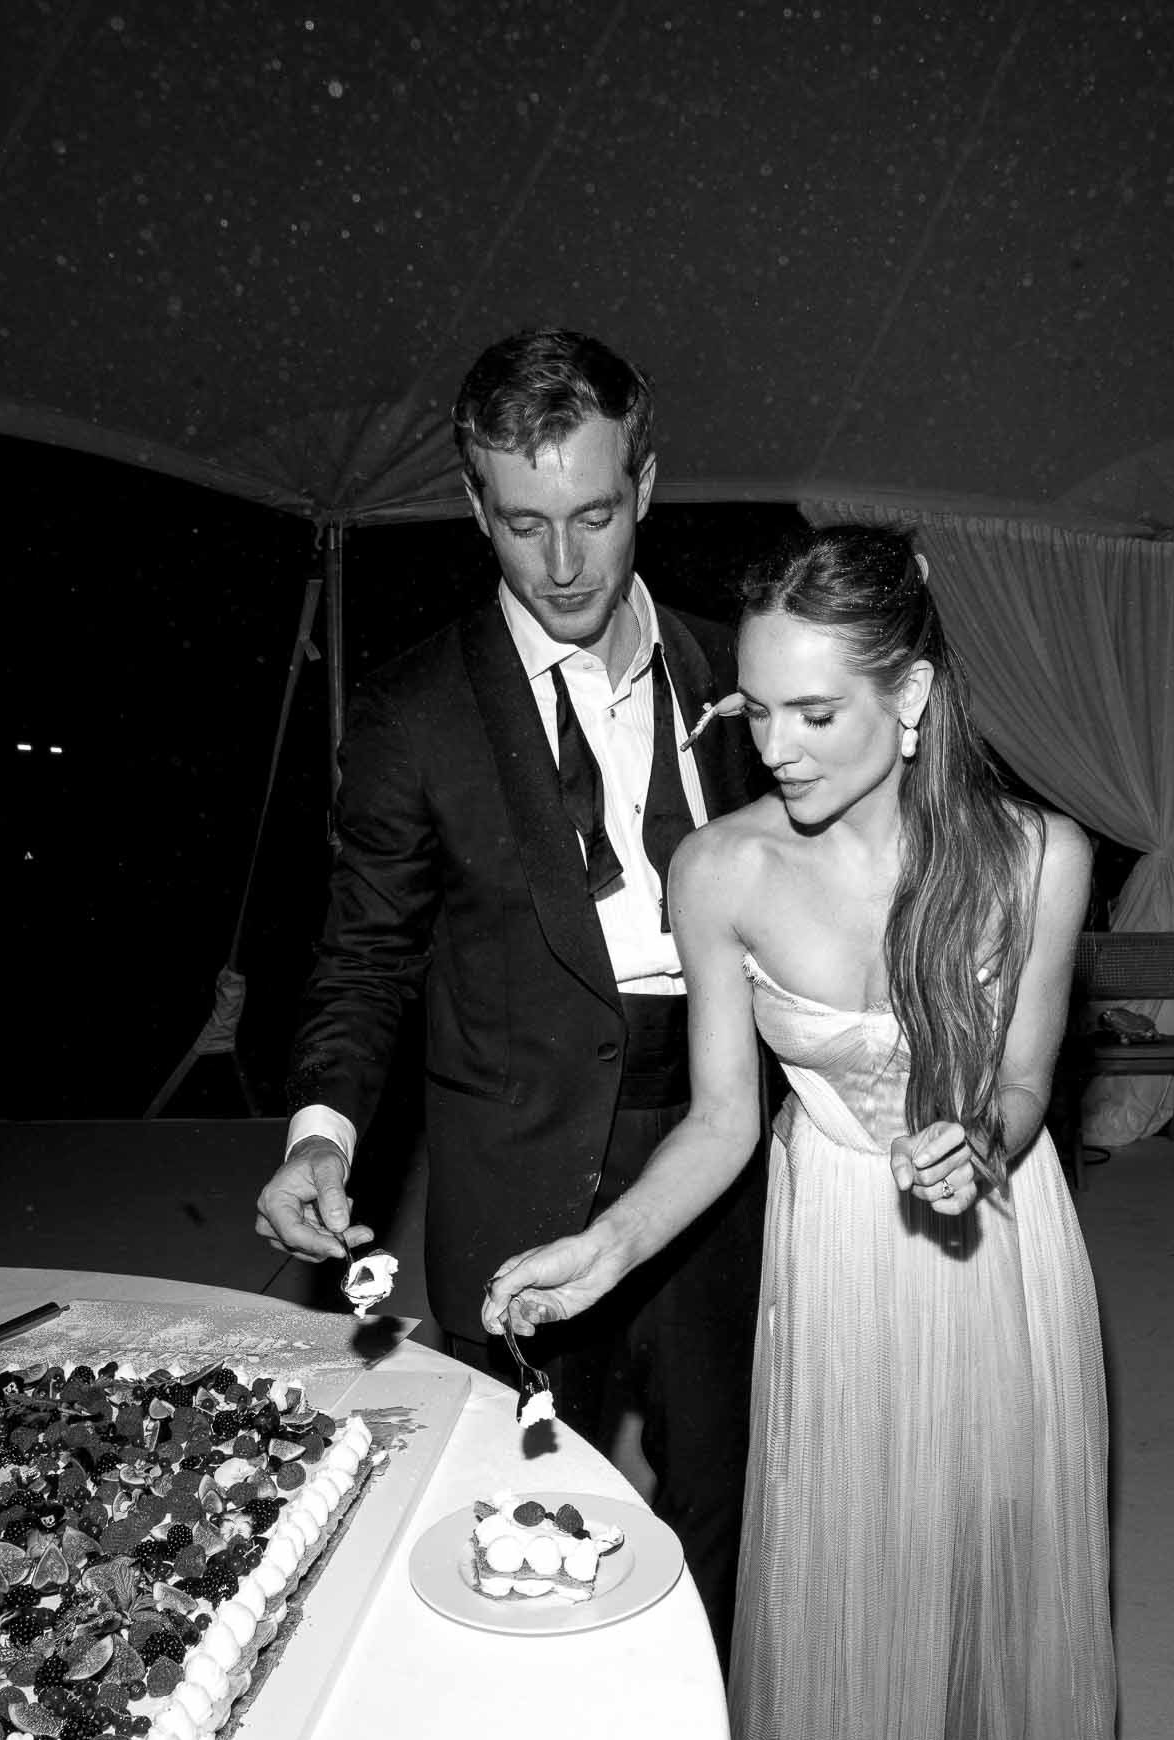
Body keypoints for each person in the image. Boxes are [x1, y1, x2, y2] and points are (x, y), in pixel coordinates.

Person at [483, 527, 1125, 1740]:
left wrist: (981, 1138)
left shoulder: (1038, 855)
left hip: (995, 1243)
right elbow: (719, 1120)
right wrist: (612, 1244)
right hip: (834, 1244)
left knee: (975, 1556)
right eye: (752, 710)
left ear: (908, 699)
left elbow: (1030, 1082)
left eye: (812, 712)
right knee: (852, 1565)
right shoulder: (721, 870)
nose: (772, 747)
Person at [254, 328, 768, 1665]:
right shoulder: (412, 710)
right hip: (516, 1152)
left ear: (645, 486)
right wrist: (322, 1129)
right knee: (533, 1512)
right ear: (475, 506)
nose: (562, 564)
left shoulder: (744, 677)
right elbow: (364, 950)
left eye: (593, 515)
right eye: (524, 522)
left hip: (720, 1137)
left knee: (725, 1493)